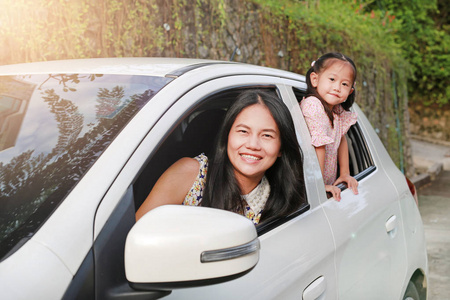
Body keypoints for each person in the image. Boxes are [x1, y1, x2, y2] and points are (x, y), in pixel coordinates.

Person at [136, 89, 306, 224]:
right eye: (243, 131)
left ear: (281, 148)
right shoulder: (192, 174)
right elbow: (133, 239)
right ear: (227, 136)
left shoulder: (283, 197)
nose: (253, 144)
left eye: (267, 135)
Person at [300, 52, 359, 201]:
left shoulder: (337, 112)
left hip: (324, 187)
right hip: (309, 187)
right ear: (315, 79)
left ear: (350, 91)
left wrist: (344, 173)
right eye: (332, 79)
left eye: (344, 84)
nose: (337, 87)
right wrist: (319, 184)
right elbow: (319, 146)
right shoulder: (313, 105)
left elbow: (341, 139)